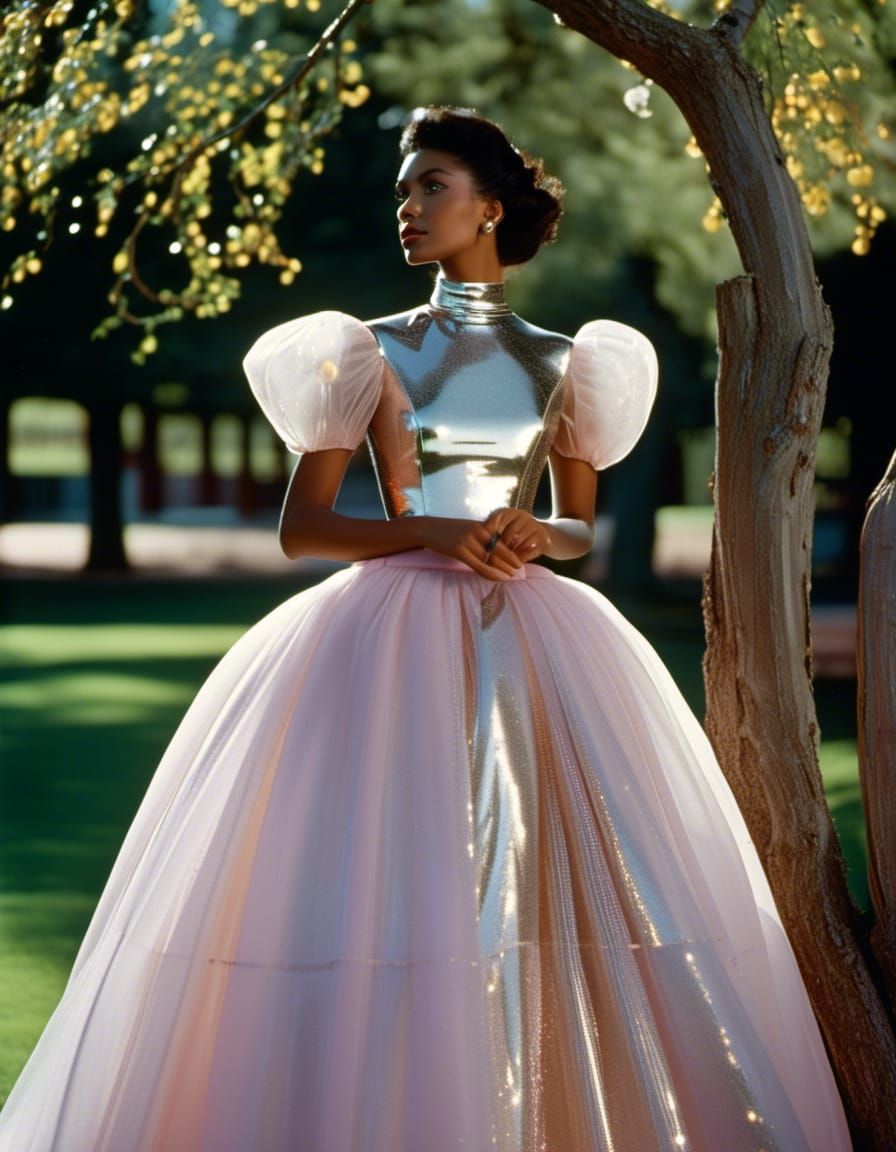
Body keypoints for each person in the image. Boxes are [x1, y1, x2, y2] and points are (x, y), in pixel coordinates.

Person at [0, 107, 851, 1152]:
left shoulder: (567, 362)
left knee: (551, 873)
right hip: (382, 640)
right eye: (402, 191)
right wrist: (432, 531)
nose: (407, 208)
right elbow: (304, 528)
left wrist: (536, 530)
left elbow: (581, 524)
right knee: (381, 875)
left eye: (429, 187)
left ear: (490, 208)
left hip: (537, 639)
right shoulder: (366, 353)